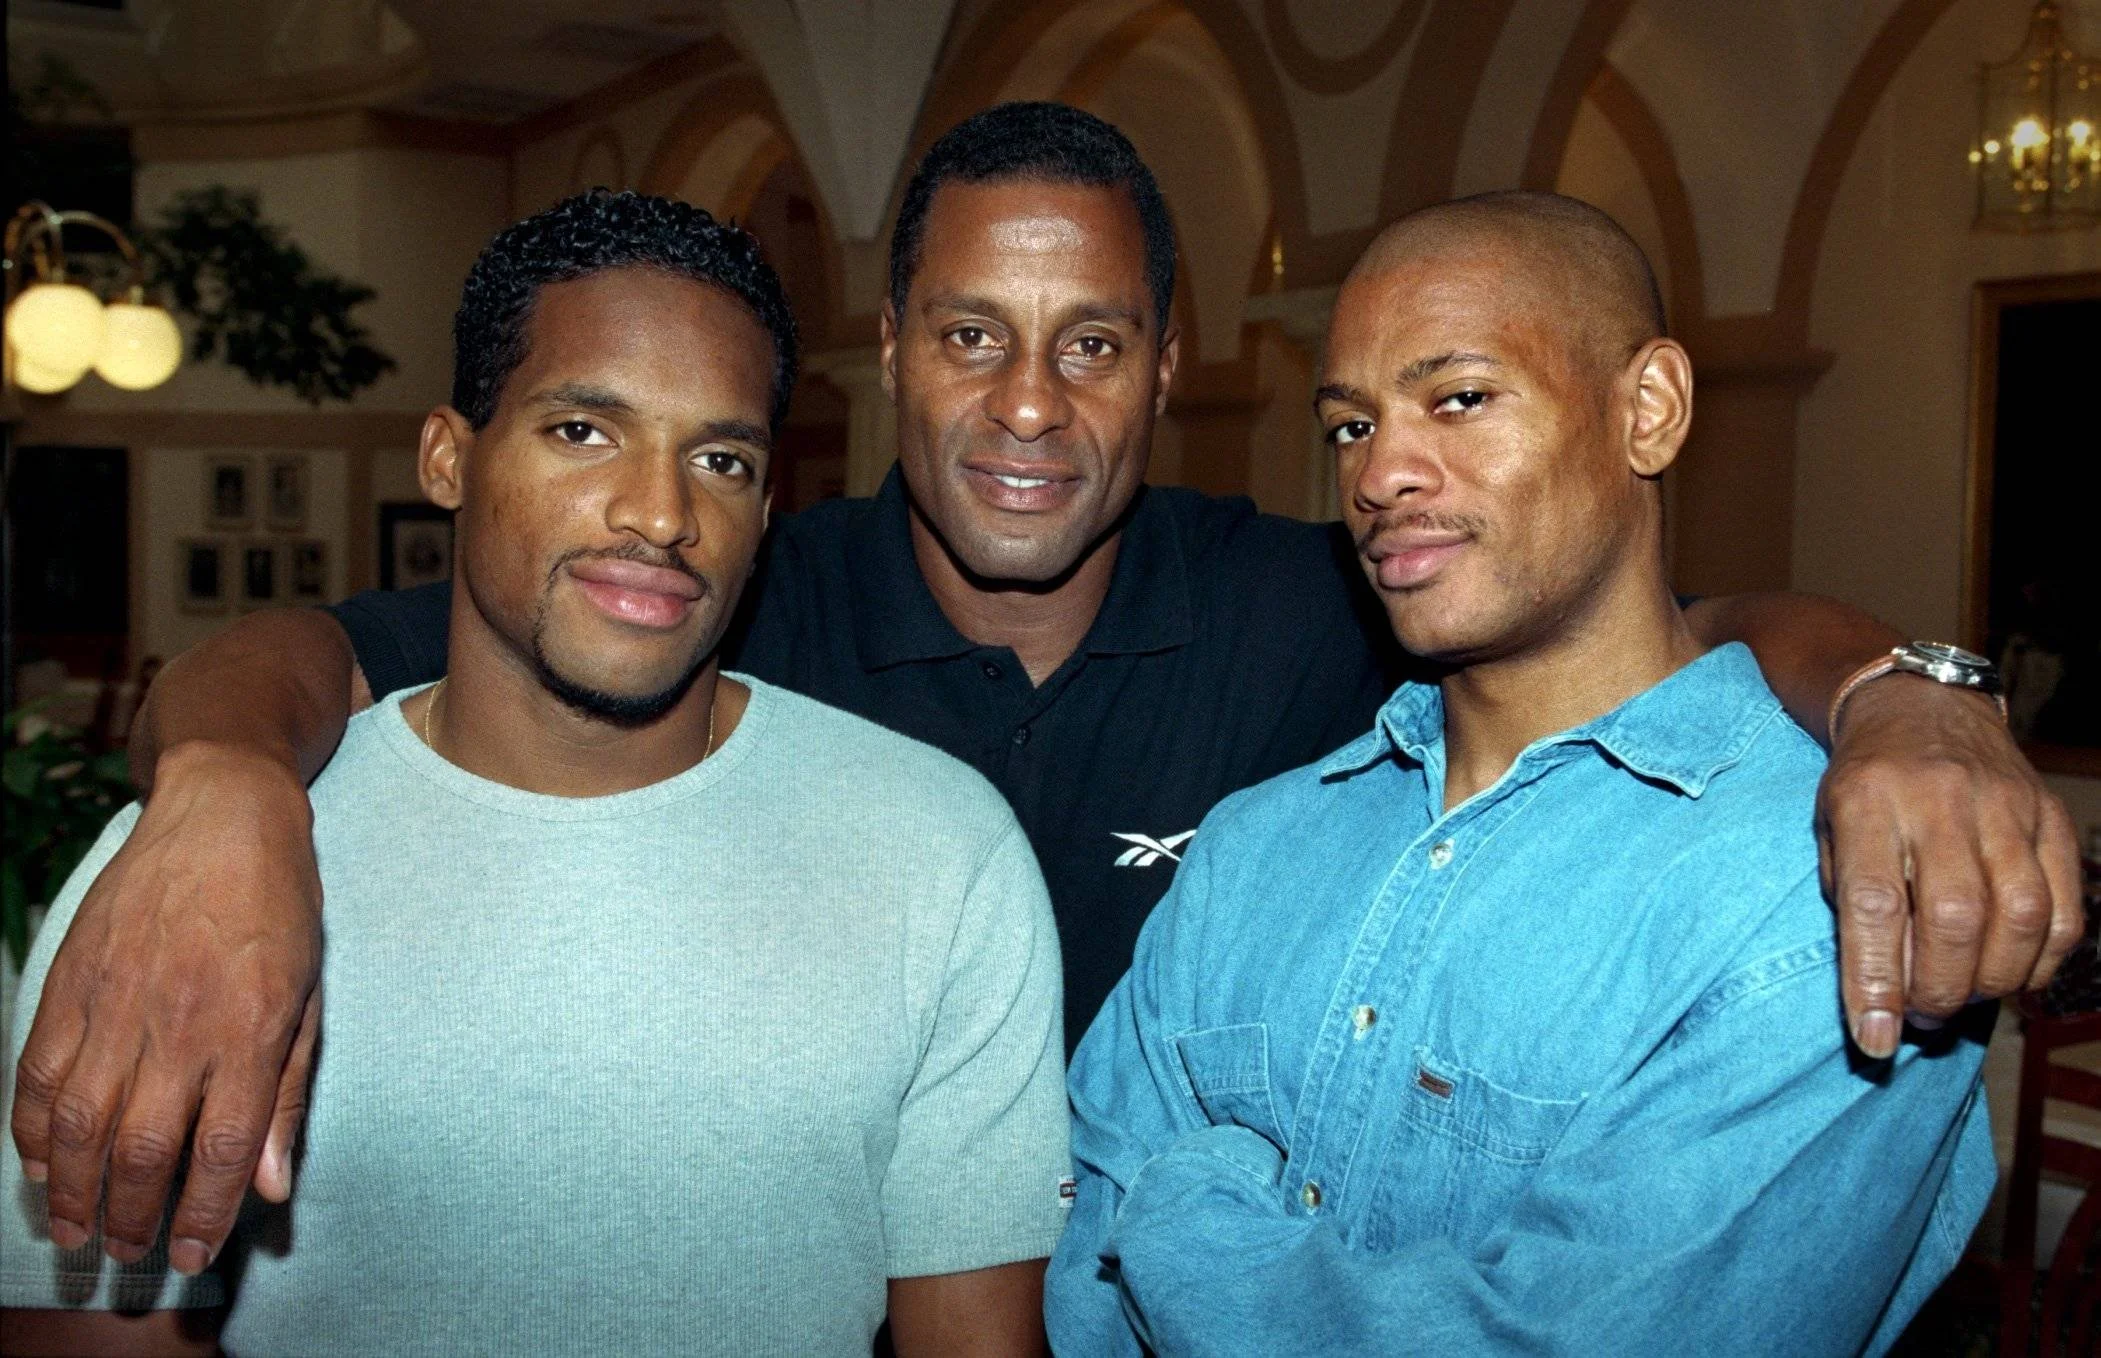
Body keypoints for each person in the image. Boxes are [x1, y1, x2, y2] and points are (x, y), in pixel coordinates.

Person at [11, 103, 2083, 1278]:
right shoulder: (718, 588)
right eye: (969, 337)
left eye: (1091, 341)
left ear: (1169, 368)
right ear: (887, 354)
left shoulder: (1316, 599)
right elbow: (323, 649)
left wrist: (1905, 696)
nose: (1026, 404)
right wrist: (218, 790)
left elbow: (1685, 615)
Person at [3, 191, 1068, 1356]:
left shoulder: (934, 850)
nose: (660, 513)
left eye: (719, 458)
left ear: (767, 507)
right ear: (449, 458)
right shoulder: (191, 874)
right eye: (582, 431)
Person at [1046, 193, 1994, 1356]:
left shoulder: (1817, 886)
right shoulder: (1252, 846)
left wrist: (1187, 1197)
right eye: (1350, 424)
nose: (1380, 472)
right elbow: (1082, 1295)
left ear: (1648, 409)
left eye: (1459, 398)